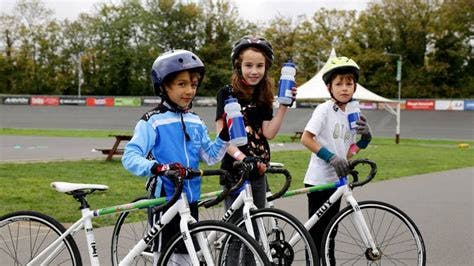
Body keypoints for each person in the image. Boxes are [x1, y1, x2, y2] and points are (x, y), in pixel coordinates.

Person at [122, 49, 230, 264]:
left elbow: (210, 156)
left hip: (190, 200)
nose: (190, 90)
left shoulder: (195, 120)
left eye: (194, 84)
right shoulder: (152, 120)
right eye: (182, 84)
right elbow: (130, 157)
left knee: (188, 257)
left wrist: (225, 134)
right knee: (166, 259)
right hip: (166, 200)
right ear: (163, 86)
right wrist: (158, 168)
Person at [300, 56, 372, 263]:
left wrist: (364, 141)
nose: (344, 88)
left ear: (355, 87)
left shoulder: (352, 111)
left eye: (349, 83)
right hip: (319, 180)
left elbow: (348, 152)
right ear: (329, 87)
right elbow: (307, 138)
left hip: (338, 180)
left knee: (331, 232)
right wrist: (330, 157)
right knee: (316, 234)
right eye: (339, 83)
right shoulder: (324, 109)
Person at [215, 35, 296, 214]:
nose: (254, 71)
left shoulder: (264, 94)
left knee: (257, 226)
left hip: (258, 170)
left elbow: (268, 133)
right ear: (239, 65)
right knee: (238, 232)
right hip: (235, 170)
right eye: (248, 65)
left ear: (266, 67)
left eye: (259, 66)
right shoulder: (227, 92)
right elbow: (221, 134)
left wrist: (284, 105)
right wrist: (242, 158)